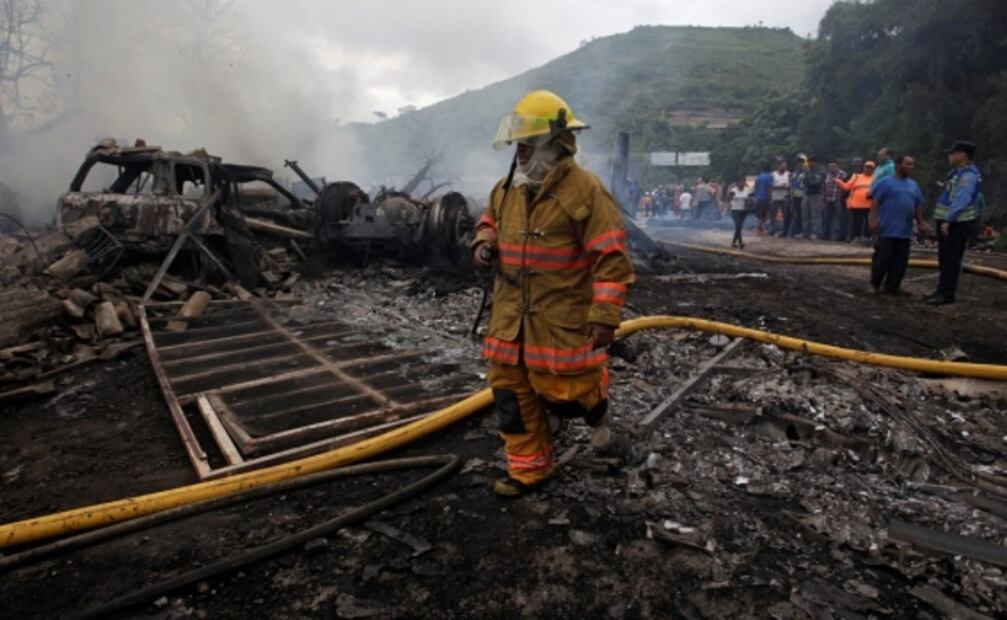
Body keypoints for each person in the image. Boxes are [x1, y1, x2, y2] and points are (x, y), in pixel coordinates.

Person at [472, 90, 634, 497]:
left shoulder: (587, 191)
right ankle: (530, 471)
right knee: (510, 398)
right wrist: (483, 241)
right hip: (510, 322)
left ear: (557, 143)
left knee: (569, 395)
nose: (521, 152)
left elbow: (611, 258)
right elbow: (488, 218)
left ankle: (594, 409)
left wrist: (604, 315)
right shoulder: (507, 188)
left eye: (530, 144)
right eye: (518, 145)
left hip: (561, 323)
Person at [927, 141, 982, 306]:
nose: (949, 155)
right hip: (949, 221)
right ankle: (941, 290)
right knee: (944, 257)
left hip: (957, 223)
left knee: (951, 258)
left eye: (953, 152)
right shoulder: (956, 173)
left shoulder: (968, 175)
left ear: (962, 155)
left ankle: (946, 294)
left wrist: (948, 219)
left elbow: (962, 199)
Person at [868, 154, 924, 295]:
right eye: (908, 164)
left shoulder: (913, 185)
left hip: (905, 231)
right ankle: (874, 284)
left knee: (900, 261)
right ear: (899, 165)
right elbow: (874, 202)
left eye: (912, 164)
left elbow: (917, 205)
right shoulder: (886, 182)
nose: (911, 167)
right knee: (882, 259)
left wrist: (920, 223)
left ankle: (892, 287)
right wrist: (873, 220)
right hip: (887, 229)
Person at [838, 160, 875, 242]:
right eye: (866, 168)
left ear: (873, 170)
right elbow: (846, 187)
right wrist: (839, 182)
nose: (868, 170)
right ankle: (856, 238)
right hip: (856, 204)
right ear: (864, 168)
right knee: (856, 222)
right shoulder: (856, 176)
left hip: (870, 205)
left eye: (870, 168)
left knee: (867, 222)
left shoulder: (876, 178)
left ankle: (867, 238)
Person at [801, 156, 826, 239]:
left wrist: (808, 181)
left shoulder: (820, 171)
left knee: (816, 215)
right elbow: (804, 181)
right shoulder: (807, 170)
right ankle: (806, 232)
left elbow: (816, 183)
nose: (809, 163)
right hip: (807, 194)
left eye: (810, 161)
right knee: (805, 215)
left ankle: (816, 233)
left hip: (816, 194)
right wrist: (808, 180)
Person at [822, 161, 848, 241]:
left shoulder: (843, 174)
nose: (832, 168)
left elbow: (846, 186)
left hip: (838, 200)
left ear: (837, 166)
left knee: (839, 219)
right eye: (830, 166)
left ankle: (839, 236)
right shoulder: (827, 175)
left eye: (834, 166)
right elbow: (824, 188)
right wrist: (823, 198)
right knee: (827, 219)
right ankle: (826, 236)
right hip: (828, 200)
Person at [728, 175, 753, 248]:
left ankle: (733, 243)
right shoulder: (734, 190)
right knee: (738, 225)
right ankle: (741, 242)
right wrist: (732, 199)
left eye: (743, 181)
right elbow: (729, 199)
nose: (742, 183)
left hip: (744, 210)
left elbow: (751, 199)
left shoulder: (747, 190)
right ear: (737, 183)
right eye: (740, 182)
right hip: (735, 210)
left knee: (739, 227)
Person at [786, 155, 807, 237]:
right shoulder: (795, 172)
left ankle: (802, 231)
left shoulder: (806, 172)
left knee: (803, 214)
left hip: (804, 194)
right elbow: (791, 183)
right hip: (795, 195)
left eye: (800, 162)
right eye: (798, 162)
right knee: (796, 213)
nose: (799, 164)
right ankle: (797, 231)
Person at [769, 160, 790, 236]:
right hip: (774, 198)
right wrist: (779, 187)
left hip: (785, 198)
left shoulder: (788, 174)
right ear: (778, 166)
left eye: (785, 166)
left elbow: (791, 186)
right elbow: (769, 187)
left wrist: (787, 187)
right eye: (783, 166)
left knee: (786, 215)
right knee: (773, 215)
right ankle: (772, 230)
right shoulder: (773, 175)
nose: (784, 167)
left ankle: (785, 231)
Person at [753, 162, 773, 235]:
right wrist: (771, 199)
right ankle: (757, 227)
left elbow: (755, 188)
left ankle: (760, 229)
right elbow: (769, 188)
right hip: (765, 198)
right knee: (765, 215)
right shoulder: (769, 177)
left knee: (760, 215)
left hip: (758, 198)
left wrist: (755, 197)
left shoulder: (758, 177)